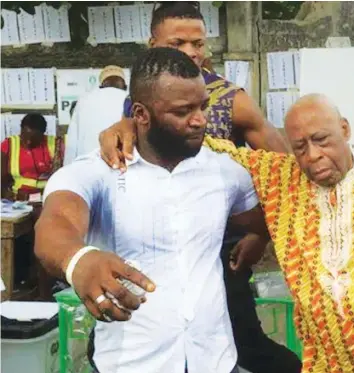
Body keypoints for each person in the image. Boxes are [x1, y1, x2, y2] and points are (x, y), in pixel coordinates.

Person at [35, 47, 271, 373]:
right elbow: (55, 224)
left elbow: (267, 217)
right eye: (183, 110)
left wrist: (259, 236)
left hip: (214, 358)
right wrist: (79, 260)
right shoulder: (98, 171)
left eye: (202, 106)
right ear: (141, 115)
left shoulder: (225, 171)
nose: (200, 119)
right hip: (131, 362)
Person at [98, 3, 301, 373]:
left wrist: (261, 234)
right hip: (152, 259)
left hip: (218, 256)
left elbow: (288, 174)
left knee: (248, 349)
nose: (192, 52)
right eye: (179, 43)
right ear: (152, 43)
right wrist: (120, 126)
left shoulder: (230, 99)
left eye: (199, 43)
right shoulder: (135, 100)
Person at [203, 94, 354, 373]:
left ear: (344, 129)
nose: (313, 155)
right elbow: (215, 148)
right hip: (324, 363)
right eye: (300, 147)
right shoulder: (284, 178)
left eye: (321, 140)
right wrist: (128, 128)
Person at [64, 65, 127, 165]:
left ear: (101, 86)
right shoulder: (131, 100)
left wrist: (67, 171)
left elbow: (72, 143)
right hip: (123, 166)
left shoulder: (84, 101)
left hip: (88, 166)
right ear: (125, 87)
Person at [1, 113, 64, 201]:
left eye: (34, 139)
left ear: (43, 133)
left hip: (48, 197)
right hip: (18, 199)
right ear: (21, 129)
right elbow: (2, 180)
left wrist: (33, 197)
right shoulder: (8, 145)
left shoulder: (56, 145)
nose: (28, 142)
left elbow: (62, 179)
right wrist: (7, 194)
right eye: (25, 137)